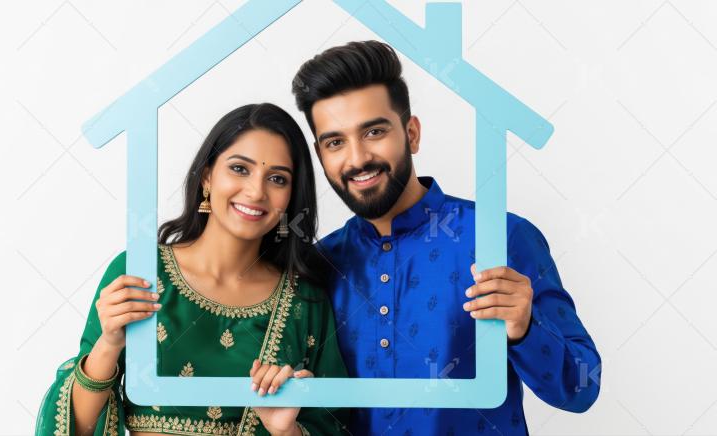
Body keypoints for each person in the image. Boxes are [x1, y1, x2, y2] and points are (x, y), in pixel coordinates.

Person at [291, 40, 601, 435]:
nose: (356, 159)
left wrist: (526, 327)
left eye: (373, 131)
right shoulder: (319, 265)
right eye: (335, 142)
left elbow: (583, 389)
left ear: (412, 134)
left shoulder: (501, 237)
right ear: (320, 155)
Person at [35, 103, 348, 436]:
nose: (256, 191)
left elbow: (334, 424)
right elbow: (75, 428)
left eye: (277, 179)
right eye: (240, 169)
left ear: (290, 197)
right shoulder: (140, 271)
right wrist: (109, 345)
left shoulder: (305, 300)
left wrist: (285, 429)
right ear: (207, 176)